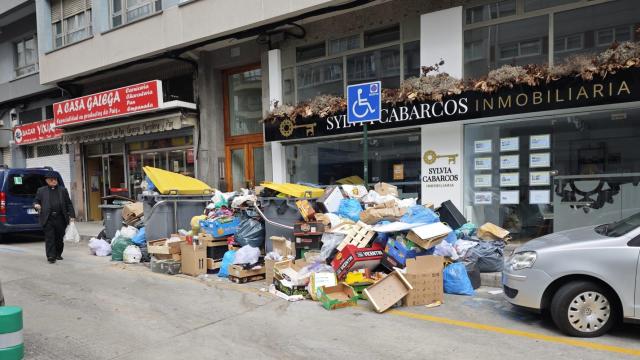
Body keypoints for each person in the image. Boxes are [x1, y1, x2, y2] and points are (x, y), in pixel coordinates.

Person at [34, 171, 75, 264]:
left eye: (55, 179)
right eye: (52, 179)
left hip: (60, 218)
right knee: (50, 237)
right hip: (48, 218)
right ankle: (51, 256)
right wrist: (36, 205)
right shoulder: (41, 190)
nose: (54, 181)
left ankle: (58, 253)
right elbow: (36, 201)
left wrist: (72, 215)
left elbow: (69, 204)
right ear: (47, 181)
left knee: (59, 238)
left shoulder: (63, 190)